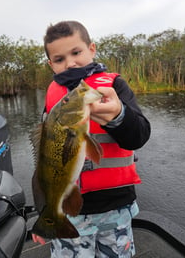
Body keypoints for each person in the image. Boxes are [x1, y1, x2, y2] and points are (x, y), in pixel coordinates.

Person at [32, 20, 151, 257]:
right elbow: (44, 165)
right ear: (50, 64)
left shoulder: (114, 86)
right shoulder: (53, 97)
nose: (70, 63)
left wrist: (118, 115)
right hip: (70, 211)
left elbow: (139, 136)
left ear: (92, 49)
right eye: (59, 59)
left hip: (116, 206)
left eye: (76, 52)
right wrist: (43, 213)